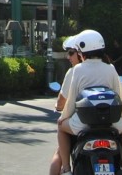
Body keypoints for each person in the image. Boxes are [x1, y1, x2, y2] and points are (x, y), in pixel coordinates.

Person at [56, 30, 122, 175]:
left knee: (61, 128)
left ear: (82, 51)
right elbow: (120, 94)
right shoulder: (110, 68)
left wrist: (63, 118)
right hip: (111, 122)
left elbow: (71, 99)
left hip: (82, 123)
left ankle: (67, 169)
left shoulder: (78, 70)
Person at [48, 35, 84, 175]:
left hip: (79, 124)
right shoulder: (108, 67)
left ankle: (66, 169)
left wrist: (58, 106)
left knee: (60, 145)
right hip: (109, 124)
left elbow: (62, 100)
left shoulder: (74, 71)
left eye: (70, 53)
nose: (68, 57)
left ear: (80, 53)